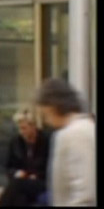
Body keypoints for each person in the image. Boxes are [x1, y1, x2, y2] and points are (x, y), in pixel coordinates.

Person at [36, 78, 96, 206]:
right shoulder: (87, 127)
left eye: (44, 115)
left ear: (51, 108)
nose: (46, 121)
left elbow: (84, 191)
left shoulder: (74, 134)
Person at [0, 107, 50, 206]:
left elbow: (51, 167)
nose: (21, 132)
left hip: (42, 181)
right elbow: (9, 166)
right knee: (19, 198)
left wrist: (37, 175)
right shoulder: (16, 142)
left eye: (24, 128)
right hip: (23, 181)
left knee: (16, 185)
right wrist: (16, 173)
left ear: (33, 126)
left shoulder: (47, 141)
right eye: (19, 128)